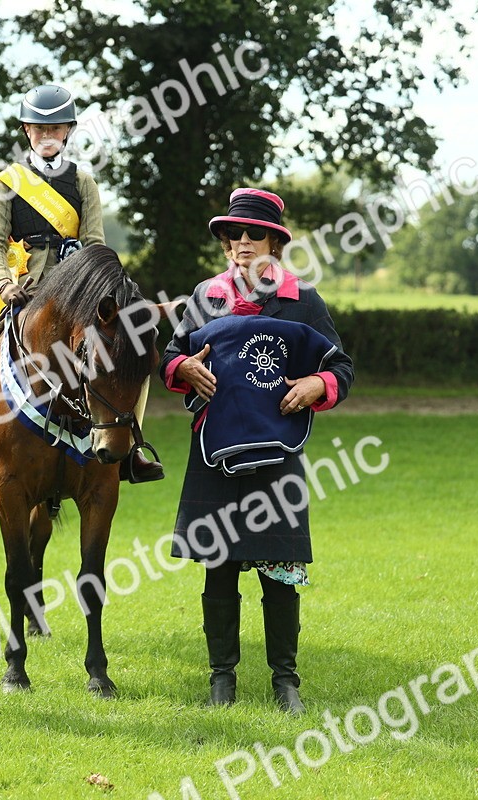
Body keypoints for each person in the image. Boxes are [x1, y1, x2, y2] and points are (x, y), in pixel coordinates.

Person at [160, 188, 354, 713]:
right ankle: (222, 680)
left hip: (278, 451)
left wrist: (317, 386)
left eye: (254, 234)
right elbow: (170, 356)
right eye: (234, 235)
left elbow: (341, 367)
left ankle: (285, 683)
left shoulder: (303, 300)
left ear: (275, 242)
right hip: (215, 452)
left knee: (280, 571)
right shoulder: (205, 296)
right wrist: (183, 369)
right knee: (218, 568)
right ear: (225, 244)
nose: (243, 243)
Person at [0, 83, 163, 483]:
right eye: (39, 129)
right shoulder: (7, 183)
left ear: (68, 131)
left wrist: (97, 291)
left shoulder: (84, 183)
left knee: (129, 350)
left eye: (56, 129)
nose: (47, 136)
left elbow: (96, 245)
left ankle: (132, 450)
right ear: (26, 131)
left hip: (76, 300)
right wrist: (2, 283)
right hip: (18, 289)